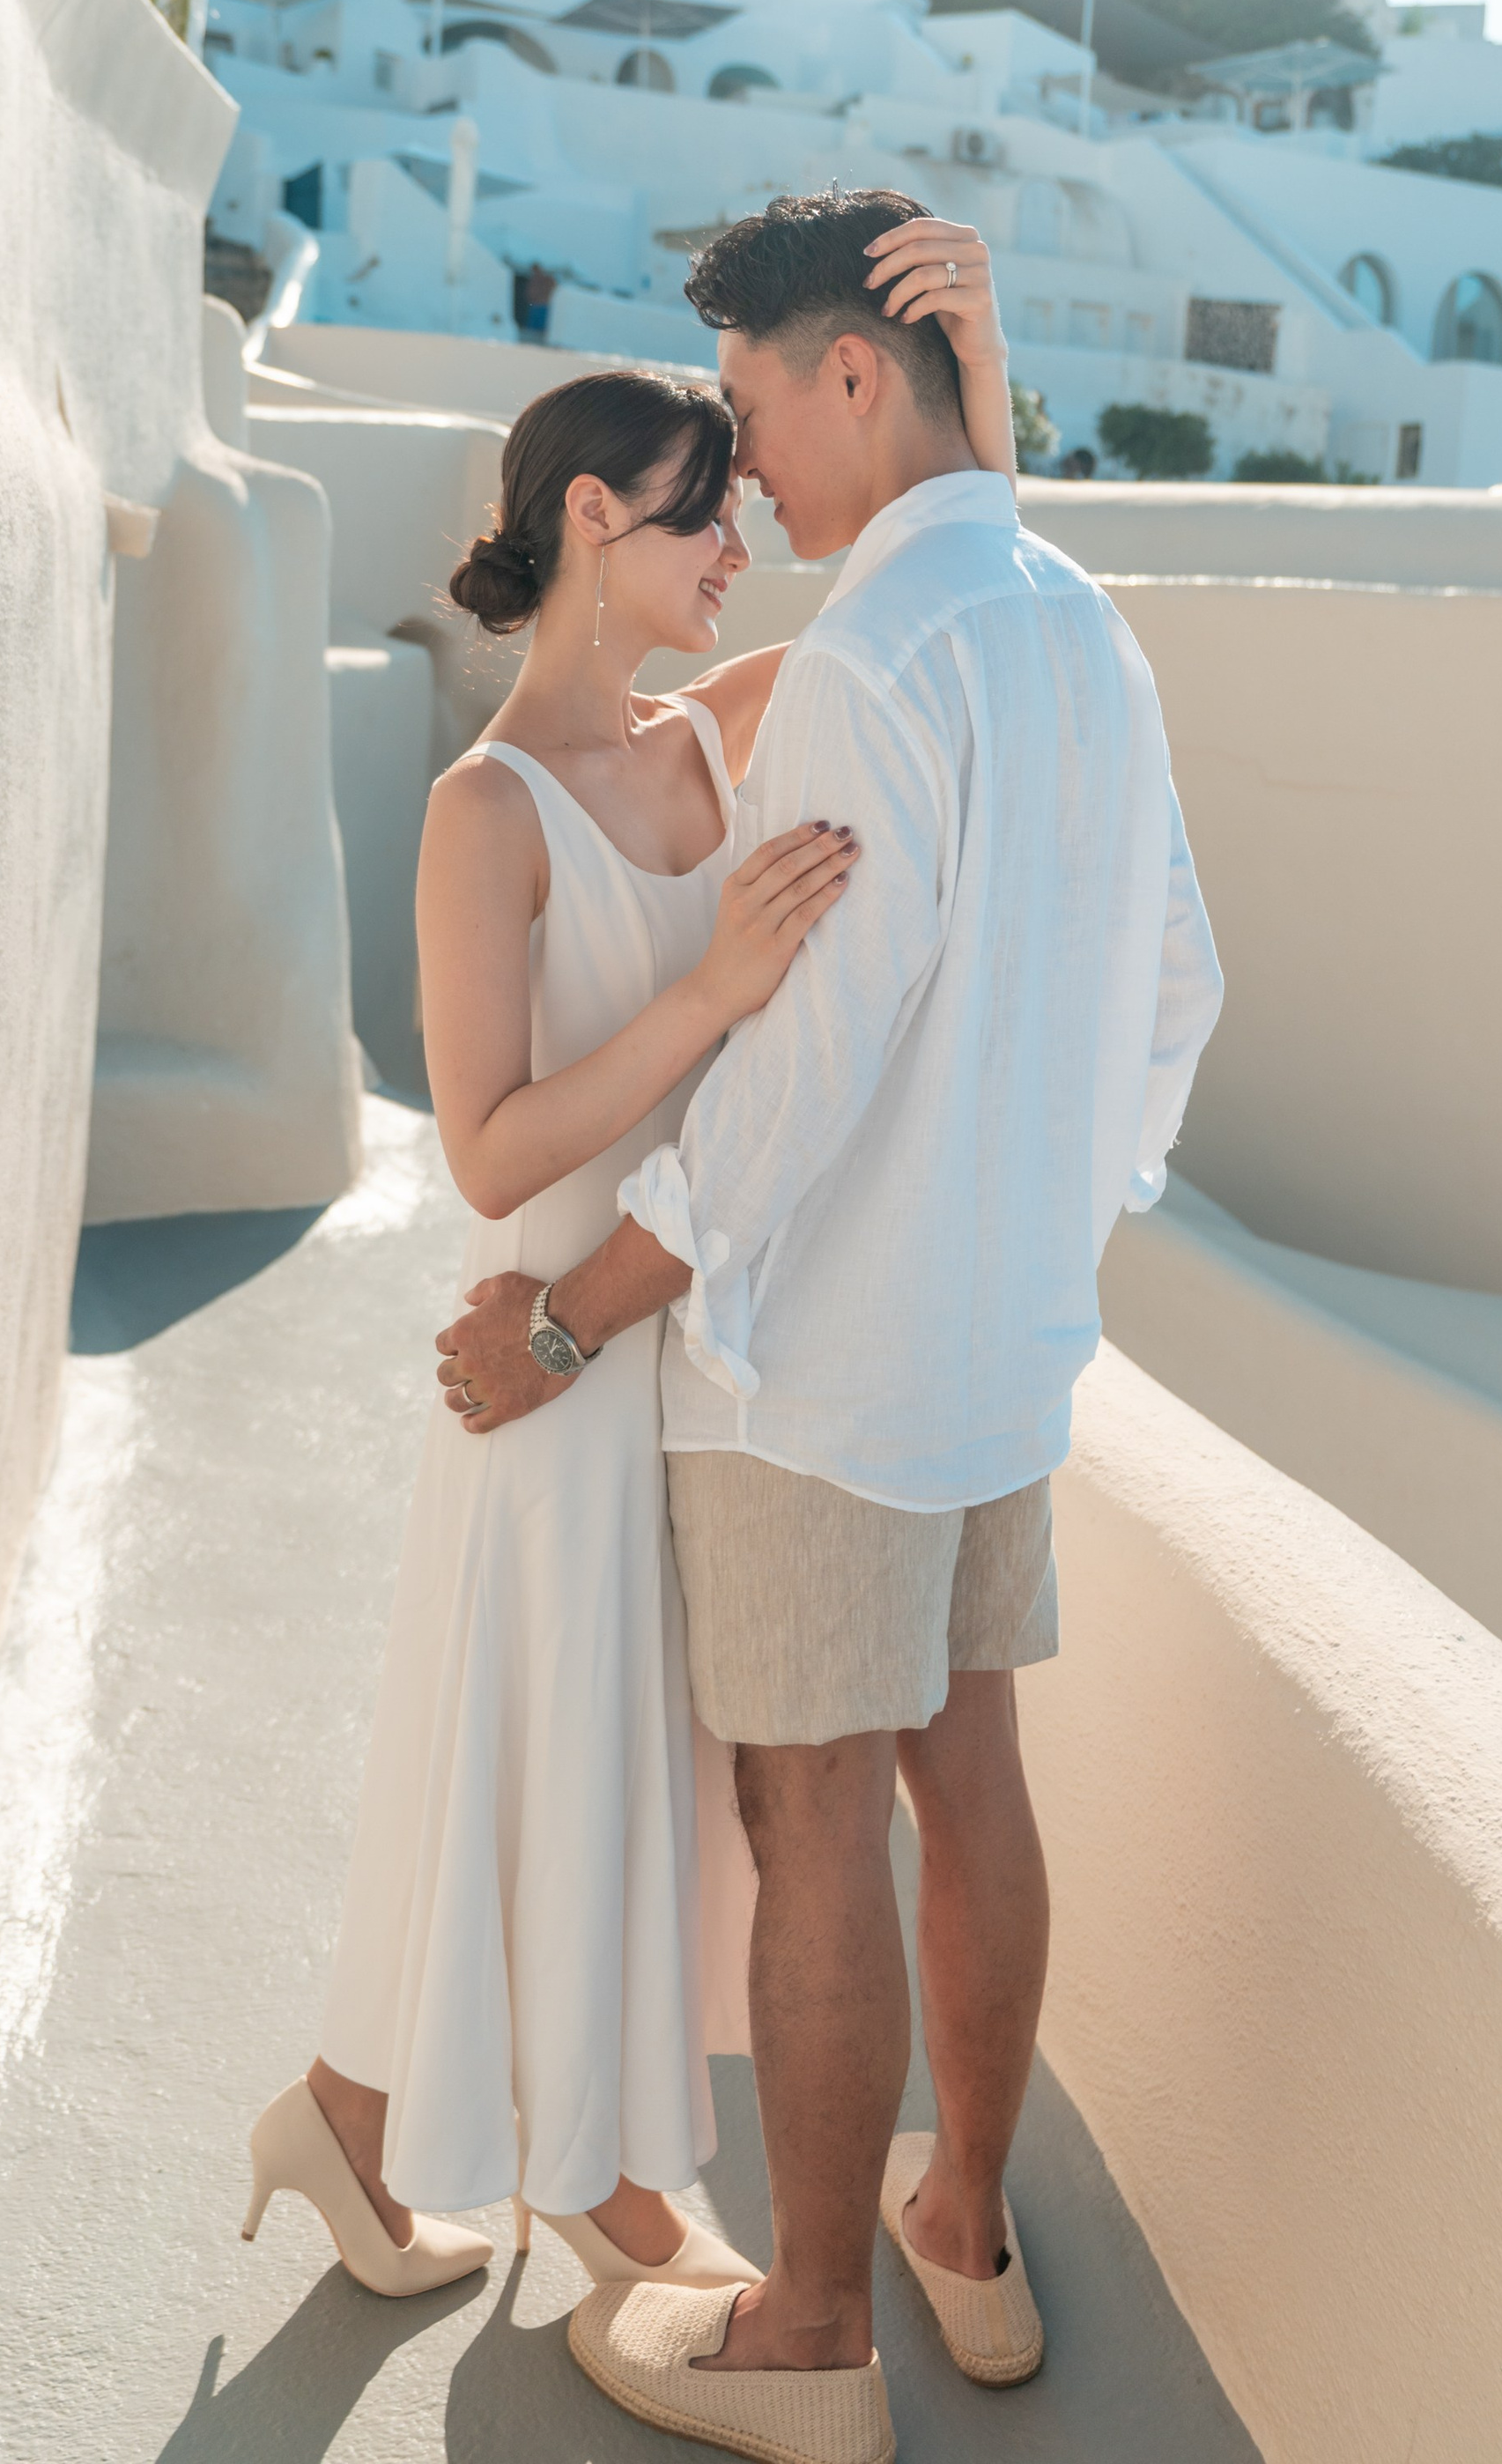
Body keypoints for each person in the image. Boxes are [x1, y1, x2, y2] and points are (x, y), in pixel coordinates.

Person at [438, 190, 1224, 2464]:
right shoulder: (1081, 622)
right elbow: (1178, 989)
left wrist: (570, 1320)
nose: (752, 465)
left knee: (817, 1835)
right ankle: (958, 2229)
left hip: (823, 1375)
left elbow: (796, 1078)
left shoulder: (881, 660)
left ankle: (802, 2335)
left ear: (856, 374)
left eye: (763, 401)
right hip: (999, 1351)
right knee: (969, 1781)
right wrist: (1049, 1219)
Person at [241, 211, 1022, 2312]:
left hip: (674, 1329)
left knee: (599, 1783)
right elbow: (487, 1144)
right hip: (552, 1339)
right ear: (592, 516)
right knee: (538, 1768)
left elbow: (940, 586)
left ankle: (353, 2117)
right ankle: (569, 2178)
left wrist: (980, 374)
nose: (733, 560)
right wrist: (710, 997)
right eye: (697, 529)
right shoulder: (481, 812)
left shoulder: (711, 734)